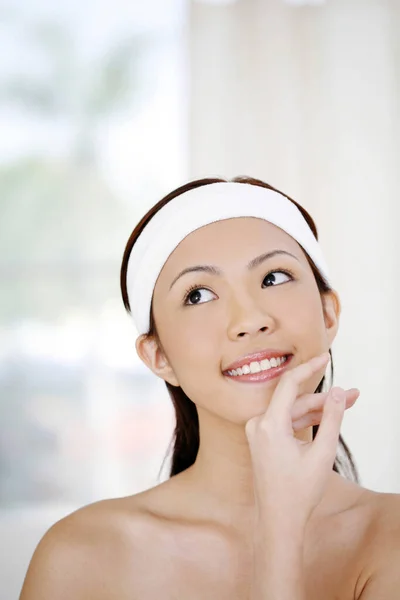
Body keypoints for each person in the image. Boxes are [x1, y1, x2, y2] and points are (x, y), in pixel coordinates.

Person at [20, 176, 400, 599]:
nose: (249, 320)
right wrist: (280, 528)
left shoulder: (391, 538)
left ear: (328, 315)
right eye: (198, 294)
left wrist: (282, 527)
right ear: (158, 356)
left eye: (274, 277)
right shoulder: (81, 556)